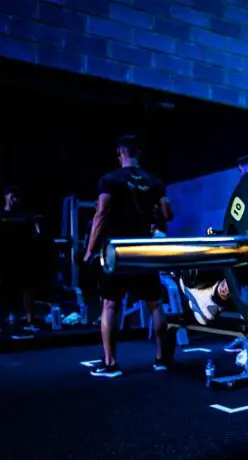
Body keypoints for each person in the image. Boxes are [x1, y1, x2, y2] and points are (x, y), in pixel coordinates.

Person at [83, 135, 175, 378]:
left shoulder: (110, 180)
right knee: (155, 304)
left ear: (119, 153)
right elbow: (168, 213)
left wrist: (90, 249)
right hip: (144, 250)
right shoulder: (153, 181)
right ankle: (161, 359)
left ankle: (111, 364)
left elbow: (101, 213)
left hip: (118, 252)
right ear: (138, 153)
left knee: (110, 305)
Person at [182, 154, 248, 356]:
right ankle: (246, 338)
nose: (243, 174)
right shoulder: (243, 192)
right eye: (240, 171)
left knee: (245, 282)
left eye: (246, 169)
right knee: (240, 285)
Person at [0, 186, 41, 335]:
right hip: (1, 257)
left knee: (27, 290)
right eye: (12, 195)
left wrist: (35, 237)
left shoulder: (24, 214)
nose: (15, 198)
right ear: (6, 196)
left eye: (17, 196)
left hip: (20, 257)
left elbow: (36, 231)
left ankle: (30, 320)